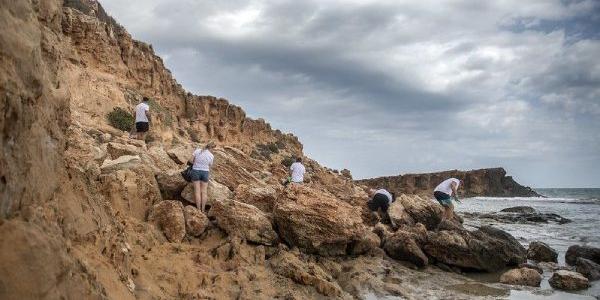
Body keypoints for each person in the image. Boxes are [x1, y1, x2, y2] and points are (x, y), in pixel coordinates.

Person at [188, 142, 215, 212]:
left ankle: (198, 209)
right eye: (213, 149)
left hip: (196, 171)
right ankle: (203, 210)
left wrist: (196, 164)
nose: (213, 150)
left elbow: (190, 160)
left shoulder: (197, 151)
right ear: (211, 148)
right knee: (204, 192)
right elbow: (210, 165)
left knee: (197, 191)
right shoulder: (211, 155)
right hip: (205, 172)